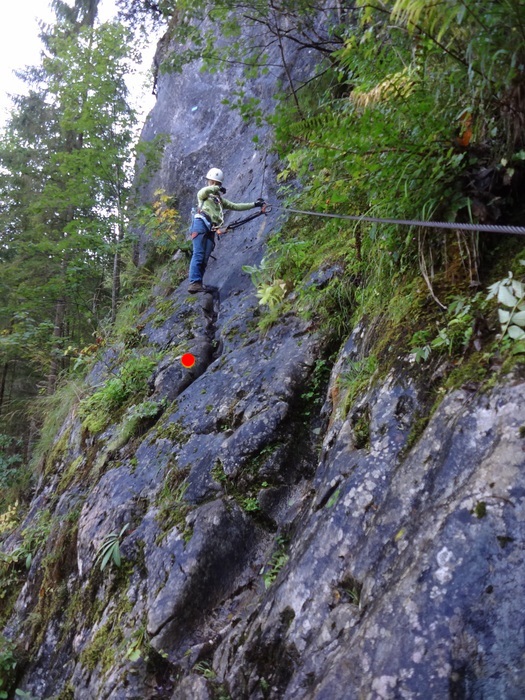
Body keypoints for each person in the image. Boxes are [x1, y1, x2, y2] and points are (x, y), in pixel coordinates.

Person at [188, 167, 265, 293]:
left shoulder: (219, 200)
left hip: (211, 229)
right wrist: (216, 188)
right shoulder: (203, 195)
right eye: (213, 183)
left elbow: (236, 206)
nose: (214, 185)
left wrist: (255, 204)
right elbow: (205, 191)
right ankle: (194, 282)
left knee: (205, 257)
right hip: (200, 223)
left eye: (216, 183)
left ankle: (198, 283)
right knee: (199, 254)